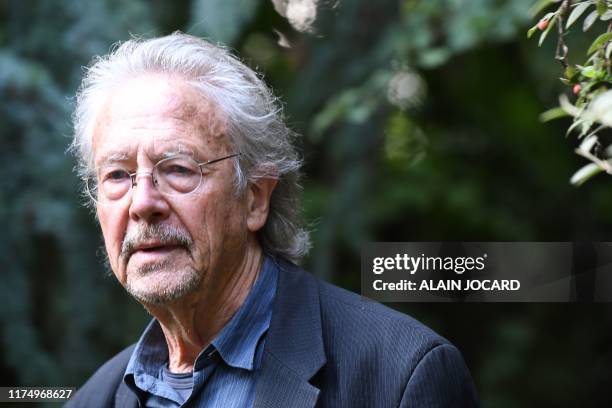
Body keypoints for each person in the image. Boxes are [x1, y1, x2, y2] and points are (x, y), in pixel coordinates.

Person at [66, 32, 479, 408]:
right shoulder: (92, 400)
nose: (142, 203)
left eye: (178, 168)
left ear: (255, 198)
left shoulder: (401, 377)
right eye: (117, 175)